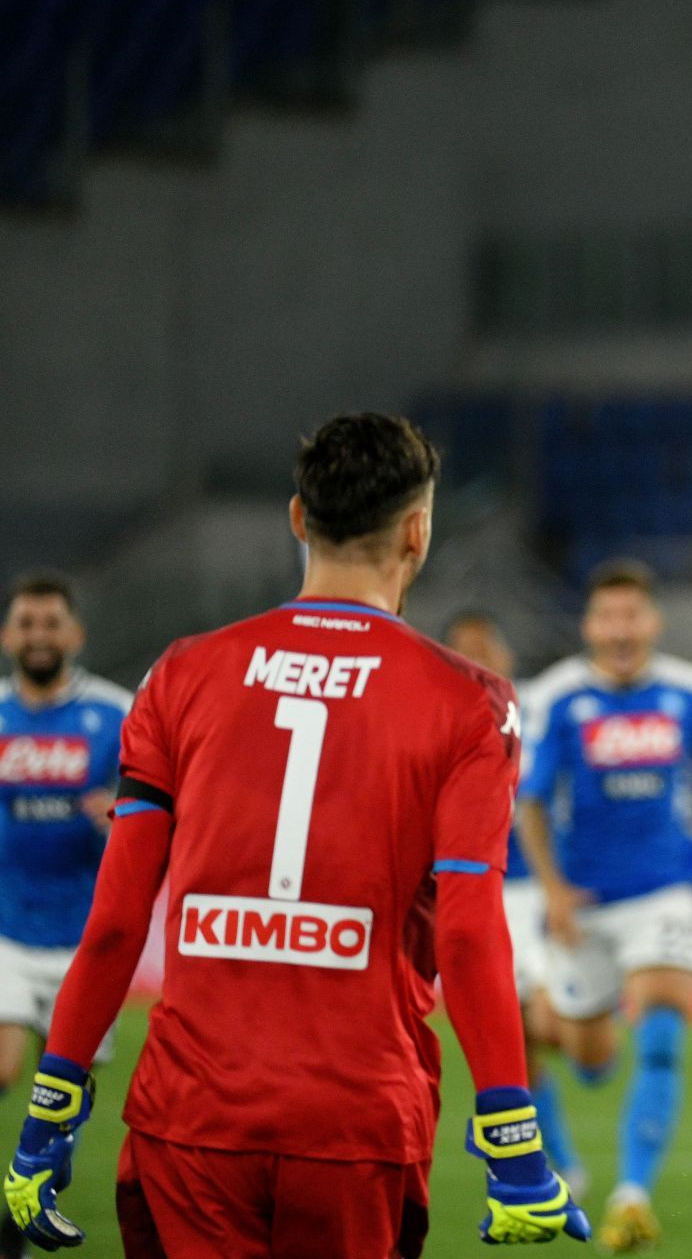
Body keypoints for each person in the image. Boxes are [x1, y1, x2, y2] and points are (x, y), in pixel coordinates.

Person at [3, 415, 588, 1256]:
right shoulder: (471, 702)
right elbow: (466, 932)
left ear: (296, 519)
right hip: (356, 1125)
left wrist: (54, 1101)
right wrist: (511, 1137)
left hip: (190, 1121)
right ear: (418, 532)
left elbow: (118, 921)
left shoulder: (180, 675)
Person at [516, 558, 692, 1252]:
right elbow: (533, 805)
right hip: (586, 902)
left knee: (662, 1031)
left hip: (666, 891)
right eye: (608, 616)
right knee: (591, 1058)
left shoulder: (690, 692)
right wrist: (551, 891)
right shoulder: (560, 697)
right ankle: (568, 1036)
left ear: (653, 622)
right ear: (589, 626)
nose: (621, 628)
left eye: (632, 615)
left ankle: (631, 1197)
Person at [0, 575, 132, 1259]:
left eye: (52, 623)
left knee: (67, 1087)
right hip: (7, 928)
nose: (39, 635)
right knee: (2, 1065)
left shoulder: (117, 715)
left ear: (74, 635)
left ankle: (25, 1205)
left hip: (90, 939)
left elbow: (158, 816)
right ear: (7, 636)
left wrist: (121, 822)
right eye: (27, 623)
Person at [440, 610, 585, 1194]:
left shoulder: (538, 710)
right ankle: (558, 1162)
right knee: (514, 1040)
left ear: (505, 653)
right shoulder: (439, 717)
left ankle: (597, 1038)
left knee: (551, 1028)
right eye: (461, 651)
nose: (475, 659)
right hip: (475, 889)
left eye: (484, 646)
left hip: (529, 892)